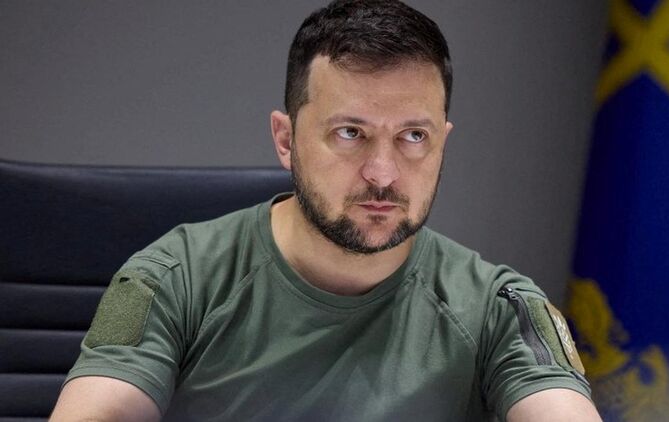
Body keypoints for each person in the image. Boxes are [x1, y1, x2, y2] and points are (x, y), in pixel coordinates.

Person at [51, 0, 601, 420]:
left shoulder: (500, 308)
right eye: (350, 133)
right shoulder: (174, 277)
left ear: (443, 142)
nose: (382, 173)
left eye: (414, 136)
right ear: (286, 139)